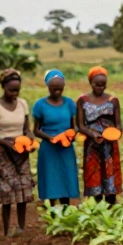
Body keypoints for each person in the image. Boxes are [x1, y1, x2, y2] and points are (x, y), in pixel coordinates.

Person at [0, 68, 34, 236]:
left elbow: (27, 128)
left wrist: (30, 140)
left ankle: (21, 226)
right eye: (11, 89)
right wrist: (5, 143)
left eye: (17, 90)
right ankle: (6, 229)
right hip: (2, 152)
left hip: (21, 152)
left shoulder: (23, 103)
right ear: (3, 87)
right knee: (6, 191)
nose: (14, 93)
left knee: (23, 188)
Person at [32, 69, 79, 206]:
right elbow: (36, 130)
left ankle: (66, 209)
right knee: (50, 178)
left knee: (66, 177)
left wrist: (71, 135)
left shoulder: (69, 103)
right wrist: (51, 138)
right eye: (54, 89)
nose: (57, 92)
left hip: (66, 148)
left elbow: (74, 126)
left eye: (60, 88)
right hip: (49, 148)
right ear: (48, 87)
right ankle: (51, 209)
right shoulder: (40, 105)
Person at [77, 66, 123, 204]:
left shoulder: (113, 100)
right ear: (91, 83)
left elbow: (118, 124)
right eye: (97, 84)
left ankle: (110, 207)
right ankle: (96, 207)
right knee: (93, 176)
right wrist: (93, 134)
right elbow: (80, 125)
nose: (100, 88)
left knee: (110, 176)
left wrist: (116, 134)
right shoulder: (83, 100)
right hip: (92, 145)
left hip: (109, 145)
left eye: (103, 85)